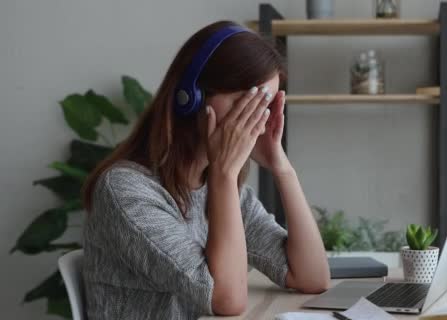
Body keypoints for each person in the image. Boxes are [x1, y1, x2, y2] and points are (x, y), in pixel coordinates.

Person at [81, 20, 330, 319]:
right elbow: (227, 300)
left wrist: (281, 166)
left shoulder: (224, 192)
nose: (254, 121)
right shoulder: (126, 191)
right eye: (244, 103)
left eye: (262, 107)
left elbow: (312, 277)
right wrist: (224, 175)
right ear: (191, 98)